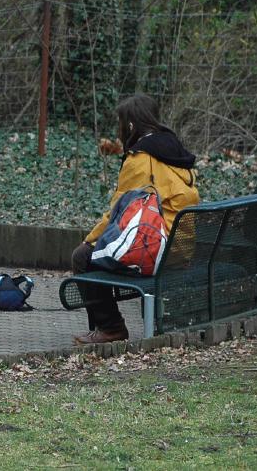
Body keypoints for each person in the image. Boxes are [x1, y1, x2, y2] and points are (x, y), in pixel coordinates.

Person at [70, 94, 199, 344]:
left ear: (130, 125)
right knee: (95, 253)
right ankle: (108, 327)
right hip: (181, 247)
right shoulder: (175, 151)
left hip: (156, 249)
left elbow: (117, 213)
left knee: (83, 256)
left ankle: (111, 328)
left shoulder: (140, 159)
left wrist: (89, 240)